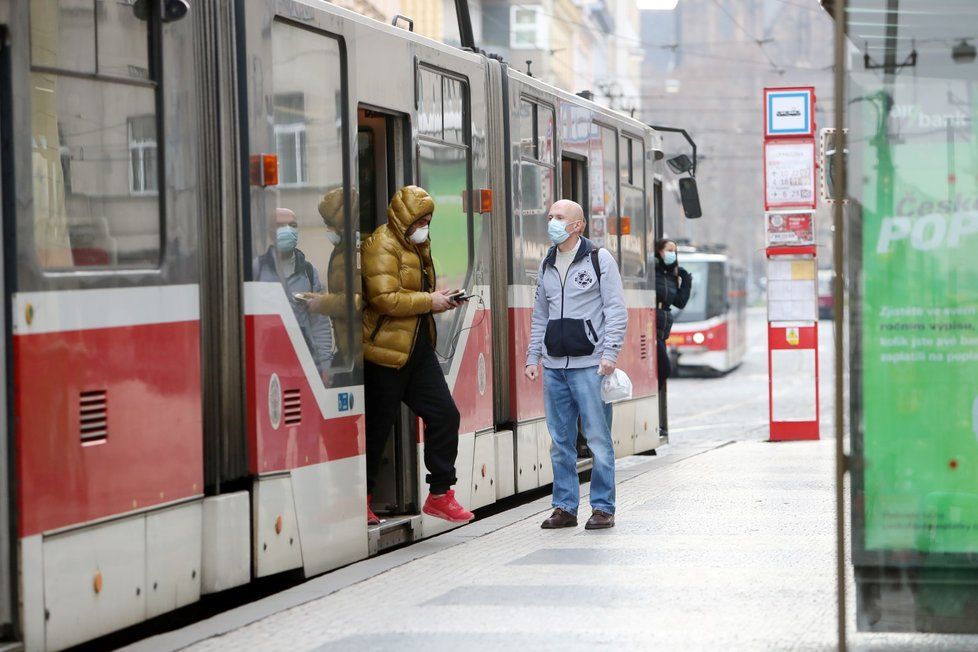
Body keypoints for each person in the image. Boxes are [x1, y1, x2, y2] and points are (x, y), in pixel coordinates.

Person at [361, 185, 473, 525]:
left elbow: (413, 292)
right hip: (385, 352)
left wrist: (440, 298)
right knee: (377, 428)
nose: (425, 226)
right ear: (403, 217)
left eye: (428, 220)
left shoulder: (416, 244)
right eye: (420, 220)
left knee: (445, 415)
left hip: (416, 346)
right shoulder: (381, 244)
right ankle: (362, 500)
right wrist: (430, 301)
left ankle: (440, 494)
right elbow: (383, 298)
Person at [525, 199, 627, 530]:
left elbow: (615, 310)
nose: (552, 222)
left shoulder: (599, 259)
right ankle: (565, 507)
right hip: (555, 367)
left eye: (559, 217)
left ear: (578, 225)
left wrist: (610, 353)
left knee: (598, 439)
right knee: (560, 442)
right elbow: (540, 314)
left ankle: (602, 507)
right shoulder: (547, 264)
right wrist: (533, 357)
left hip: (591, 365)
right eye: (550, 216)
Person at [254, 207, 333, 375]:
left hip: (303, 366)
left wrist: (326, 366)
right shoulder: (257, 269)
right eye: (280, 225)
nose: (288, 230)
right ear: (270, 232)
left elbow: (319, 323)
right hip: (266, 367)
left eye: (292, 225)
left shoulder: (309, 272)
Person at [305, 188, 361, 369]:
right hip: (350, 352)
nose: (327, 229)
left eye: (329, 223)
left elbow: (360, 301)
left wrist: (322, 304)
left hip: (362, 354)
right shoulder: (343, 250)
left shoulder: (358, 251)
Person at [654, 238, 693, 396]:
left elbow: (680, 302)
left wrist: (686, 280)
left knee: (663, 368)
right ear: (659, 251)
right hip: (652, 326)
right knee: (665, 368)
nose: (672, 254)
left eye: (674, 251)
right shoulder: (652, 270)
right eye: (669, 250)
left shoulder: (671, 275)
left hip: (663, 330)